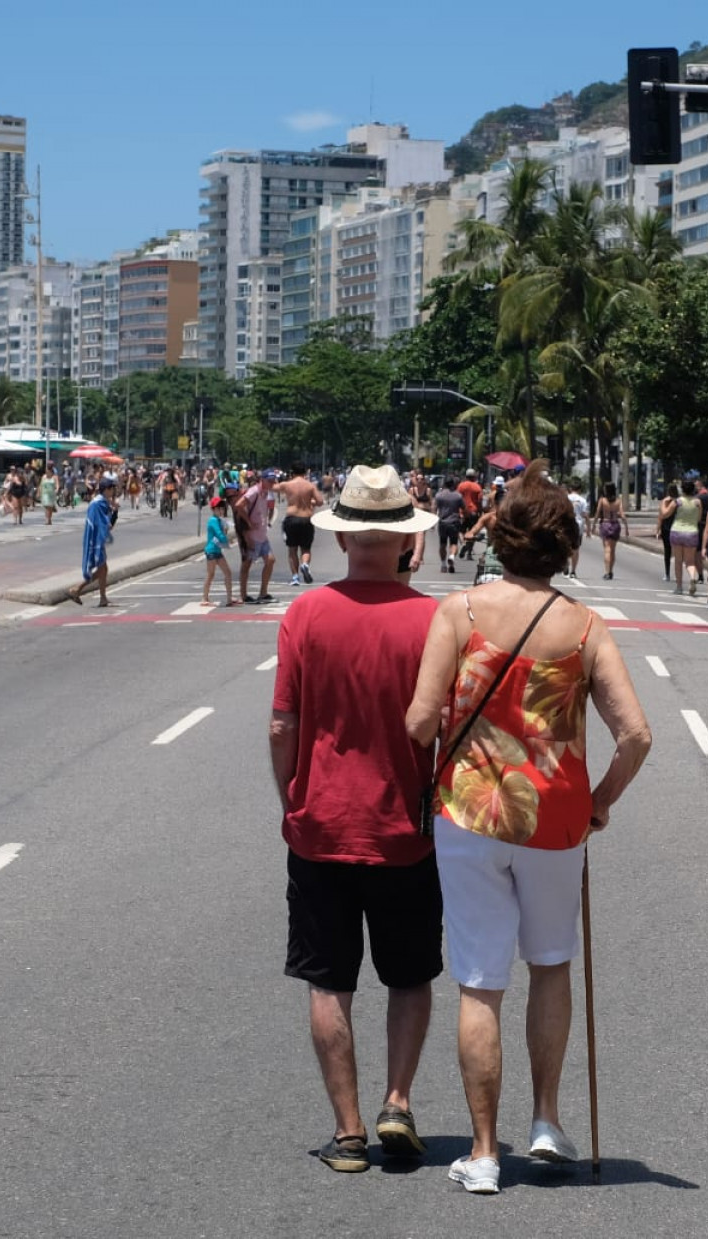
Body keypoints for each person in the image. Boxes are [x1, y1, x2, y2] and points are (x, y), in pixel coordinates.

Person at [405, 460, 653, 1196]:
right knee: (551, 963)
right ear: (566, 546)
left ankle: (484, 1152)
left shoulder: (459, 613)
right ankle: (546, 1120)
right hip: (555, 822)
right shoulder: (586, 628)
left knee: (480, 981)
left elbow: (419, 722)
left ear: (500, 537)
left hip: (471, 817)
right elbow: (636, 735)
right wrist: (599, 800)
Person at [269, 464, 442, 1175]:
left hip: (321, 828)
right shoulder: (433, 621)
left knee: (329, 982)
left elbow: (283, 724)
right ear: (405, 542)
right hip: (407, 832)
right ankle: (397, 1101)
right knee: (409, 976)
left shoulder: (305, 615)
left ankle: (347, 1134)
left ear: (341, 539)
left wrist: (292, 799)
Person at [65, 476, 118, 606]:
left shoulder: (101, 502)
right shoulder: (99, 504)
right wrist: (115, 513)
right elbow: (107, 526)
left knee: (103, 568)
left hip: (96, 539)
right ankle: (77, 589)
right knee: (102, 569)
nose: (113, 491)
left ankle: (102, 598)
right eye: (112, 488)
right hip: (95, 541)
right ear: (106, 489)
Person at [277, 462, 323, 585]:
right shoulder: (310, 486)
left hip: (291, 518)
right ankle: (305, 564)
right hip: (306, 518)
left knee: (292, 549)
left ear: (292, 472)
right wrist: (311, 502)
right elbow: (320, 501)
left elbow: (273, 488)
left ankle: (295, 577)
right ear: (305, 472)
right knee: (306, 548)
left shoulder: (287, 484)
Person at [237, 469, 278, 604]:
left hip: (262, 534)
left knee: (270, 560)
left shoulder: (266, 493)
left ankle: (263, 593)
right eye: (269, 481)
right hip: (251, 535)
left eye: (273, 481)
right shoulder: (254, 491)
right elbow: (239, 505)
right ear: (263, 480)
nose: (272, 483)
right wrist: (249, 523)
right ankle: (244, 595)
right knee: (247, 564)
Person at [667, 478, 705, 596]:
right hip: (692, 532)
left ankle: (679, 587)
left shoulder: (677, 501)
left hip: (677, 531)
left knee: (678, 561)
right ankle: (693, 577)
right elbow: (699, 518)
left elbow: (666, 513)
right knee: (690, 562)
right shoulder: (698, 502)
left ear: (682, 489)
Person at [201, 495, 238, 606]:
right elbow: (219, 535)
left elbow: (222, 534)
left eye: (222, 508)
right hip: (211, 551)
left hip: (217, 551)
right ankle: (204, 598)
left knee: (228, 572)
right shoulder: (213, 521)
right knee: (211, 574)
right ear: (213, 509)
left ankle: (229, 598)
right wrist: (228, 540)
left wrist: (226, 533)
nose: (220, 510)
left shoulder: (219, 520)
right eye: (218, 508)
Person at [593, 482, 626, 580]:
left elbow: (597, 513)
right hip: (615, 525)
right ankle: (611, 571)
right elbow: (622, 515)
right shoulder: (618, 501)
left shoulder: (602, 500)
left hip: (605, 524)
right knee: (613, 550)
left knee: (607, 549)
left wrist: (593, 525)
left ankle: (607, 572)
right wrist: (626, 527)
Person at [433, 476, 465, 572]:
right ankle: (451, 556)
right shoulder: (458, 496)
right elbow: (464, 508)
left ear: (444, 484)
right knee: (454, 543)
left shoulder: (439, 495)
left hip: (442, 523)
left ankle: (443, 565)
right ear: (453, 484)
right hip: (454, 522)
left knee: (442, 544)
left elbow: (434, 508)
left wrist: (433, 520)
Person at [455, 470, 483, 561]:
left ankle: (464, 543)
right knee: (472, 532)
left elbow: (457, 498)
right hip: (474, 512)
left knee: (460, 531)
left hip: (463, 512)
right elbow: (480, 501)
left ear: (466, 476)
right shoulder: (477, 486)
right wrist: (480, 511)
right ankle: (469, 554)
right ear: (474, 477)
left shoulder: (461, 486)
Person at [656, 482, 678, 580]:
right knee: (678, 552)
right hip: (677, 527)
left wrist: (658, 530)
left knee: (667, 551)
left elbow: (661, 516)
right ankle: (677, 574)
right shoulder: (679, 502)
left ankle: (667, 573)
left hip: (666, 528)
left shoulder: (665, 501)